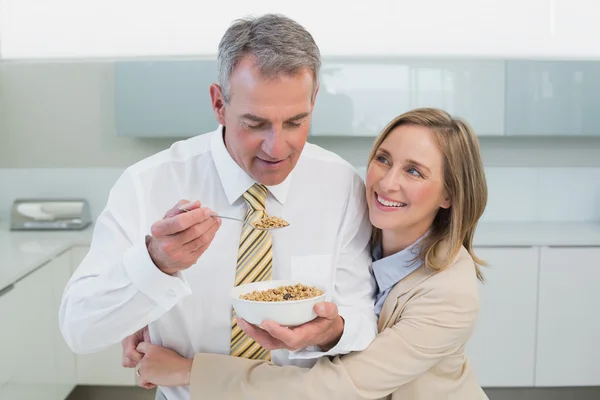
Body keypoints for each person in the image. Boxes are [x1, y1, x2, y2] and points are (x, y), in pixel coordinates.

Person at [59, 13, 378, 400]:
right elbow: (79, 330)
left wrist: (334, 330)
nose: (277, 148)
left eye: (296, 122)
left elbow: (363, 317)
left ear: (313, 102)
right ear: (218, 104)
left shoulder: (341, 185)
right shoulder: (148, 184)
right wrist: (155, 265)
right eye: (255, 124)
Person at [132, 108, 490, 400]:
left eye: (414, 171)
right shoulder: (355, 226)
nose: (387, 182)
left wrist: (190, 371)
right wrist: (150, 318)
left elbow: (335, 387)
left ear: (449, 196)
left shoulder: (450, 295)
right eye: (383, 159)